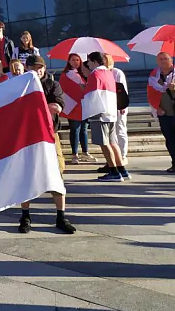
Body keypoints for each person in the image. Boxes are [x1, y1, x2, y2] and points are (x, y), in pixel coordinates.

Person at [19, 56, 75, 234]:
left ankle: (61, 216)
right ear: (27, 68)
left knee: (57, 173)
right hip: (27, 136)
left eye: (41, 68)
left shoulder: (52, 85)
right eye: (34, 67)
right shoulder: (20, 86)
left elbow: (58, 107)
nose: (38, 71)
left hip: (49, 134)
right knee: (26, 175)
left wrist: (34, 104)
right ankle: (25, 215)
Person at [83, 52, 129, 182]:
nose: (88, 64)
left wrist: (84, 90)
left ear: (94, 62)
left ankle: (113, 171)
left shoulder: (95, 74)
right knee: (113, 142)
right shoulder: (109, 72)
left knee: (104, 143)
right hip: (111, 110)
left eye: (89, 61)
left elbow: (91, 93)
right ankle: (122, 169)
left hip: (99, 111)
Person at [59, 54, 94, 165]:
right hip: (73, 106)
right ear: (68, 61)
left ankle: (85, 152)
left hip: (84, 105)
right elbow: (64, 90)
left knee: (84, 129)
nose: (75, 62)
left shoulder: (84, 74)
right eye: (73, 60)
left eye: (77, 60)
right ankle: (75, 154)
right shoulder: (65, 75)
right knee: (75, 130)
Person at [105, 55, 129, 169]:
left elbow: (121, 90)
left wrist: (121, 105)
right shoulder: (102, 73)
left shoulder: (116, 72)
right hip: (108, 106)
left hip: (119, 105)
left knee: (120, 130)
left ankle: (123, 155)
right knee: (112, 133)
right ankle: (115, 156)